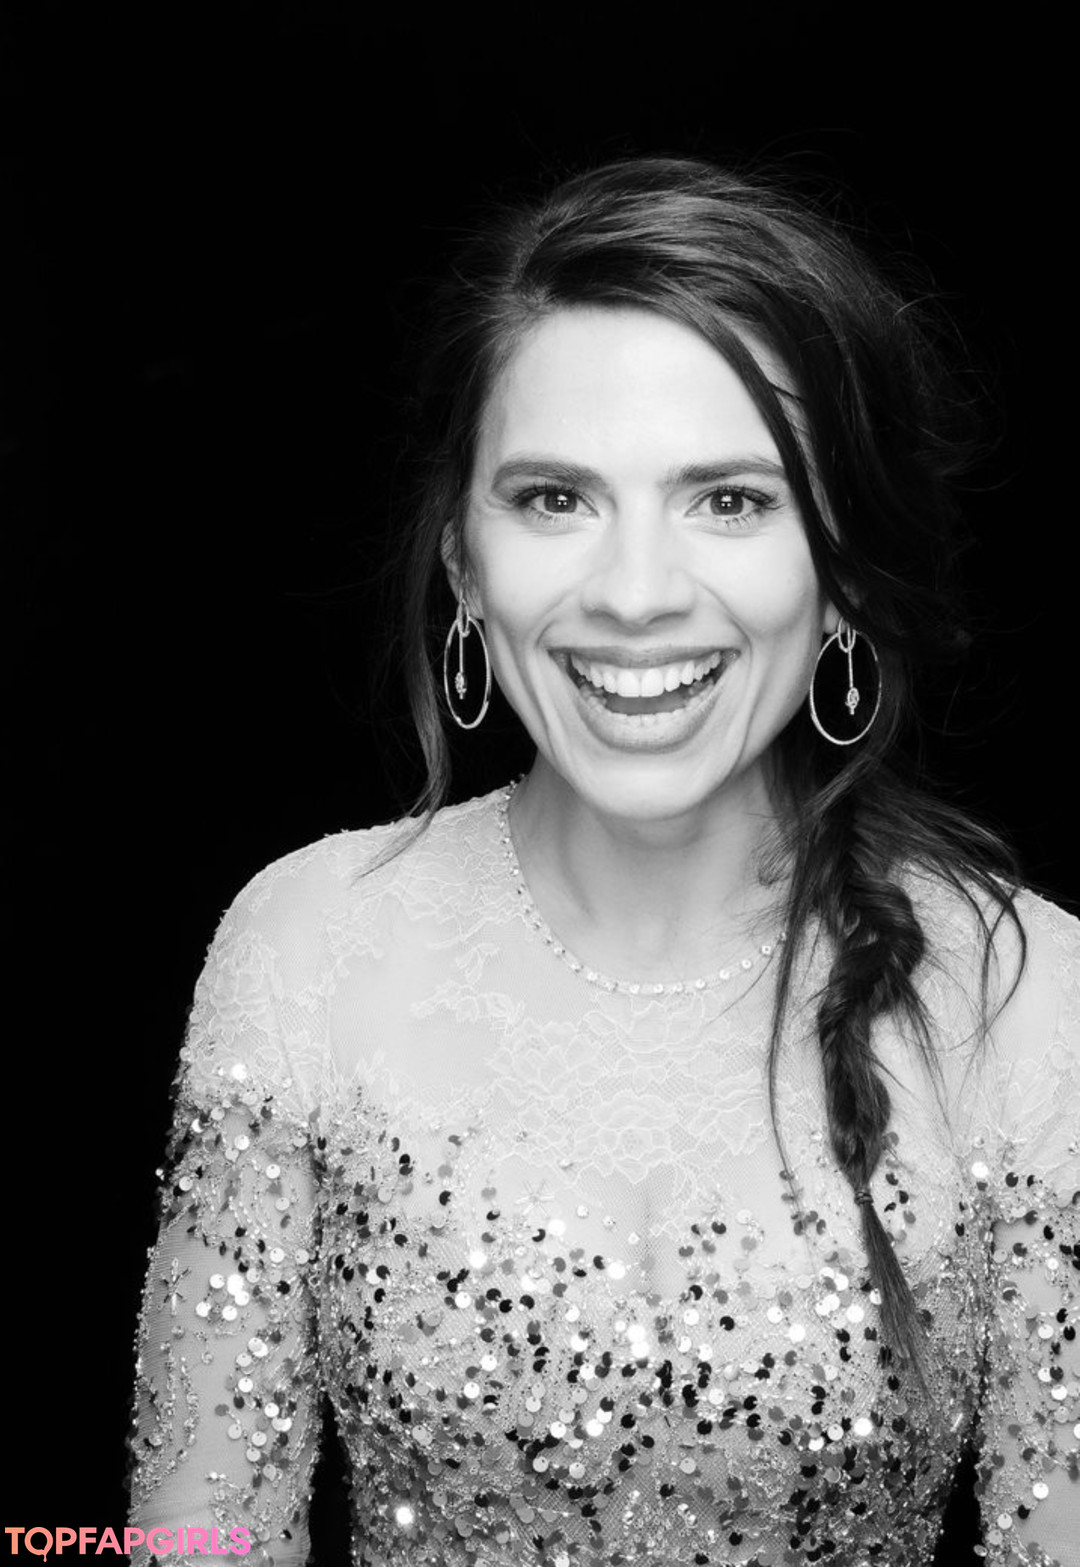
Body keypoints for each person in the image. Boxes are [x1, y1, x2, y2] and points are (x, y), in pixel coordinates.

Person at [127, 158, 1079, 1566]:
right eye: (556, 498)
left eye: (731, 500)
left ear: (848, 570)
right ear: (463, 557)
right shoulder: (306, 948)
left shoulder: (1032, 1000)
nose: (636, 593)